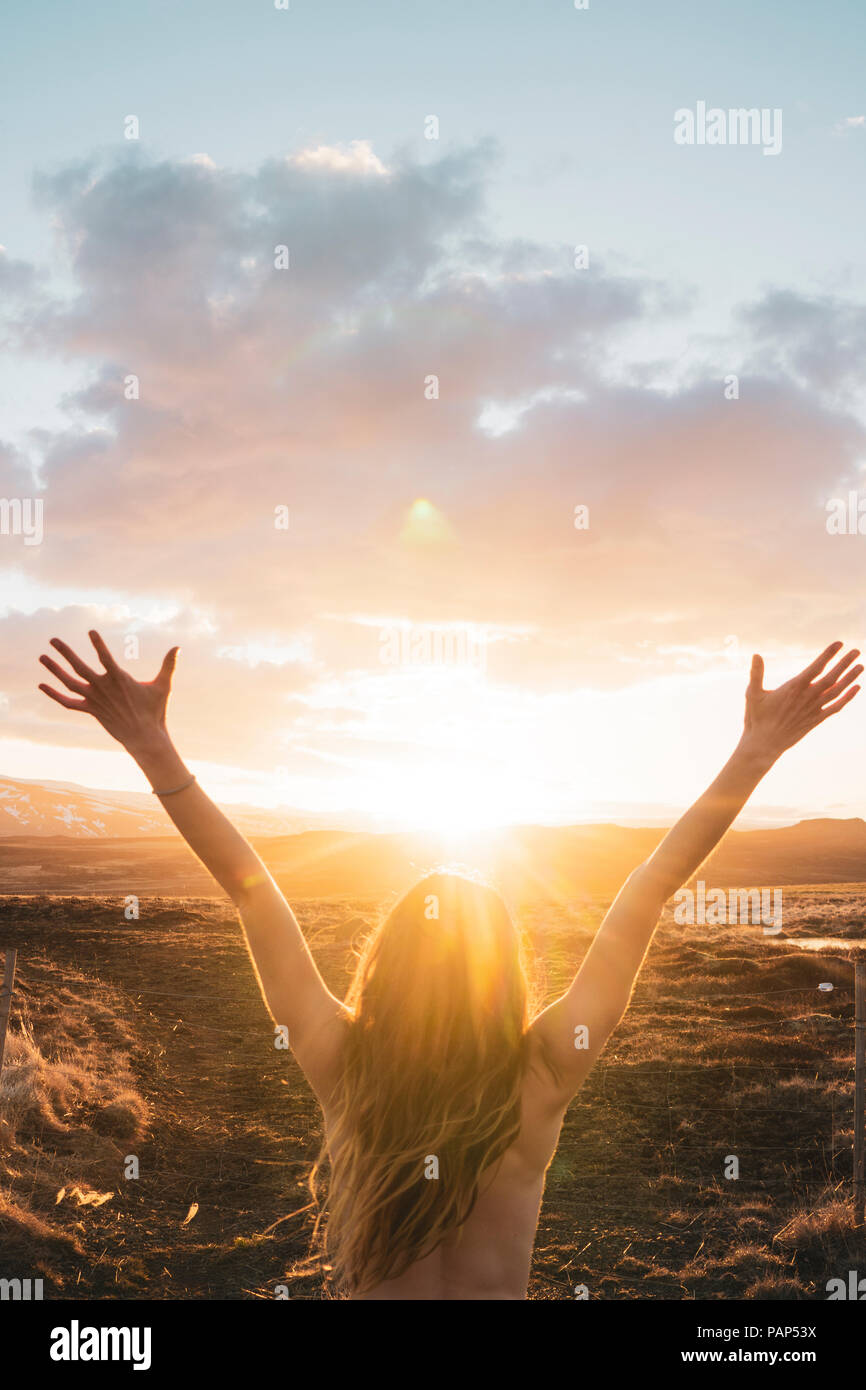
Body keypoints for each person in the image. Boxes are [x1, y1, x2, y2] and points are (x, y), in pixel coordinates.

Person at [38, 632, 861, 1299]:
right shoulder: (540, 1076)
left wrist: (154, 750)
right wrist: (755, 753)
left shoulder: (340, 1063)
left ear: (385, 965)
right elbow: (647, 893)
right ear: (505, 971)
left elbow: (252, 895)